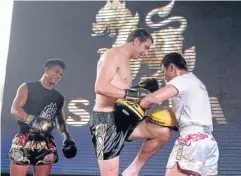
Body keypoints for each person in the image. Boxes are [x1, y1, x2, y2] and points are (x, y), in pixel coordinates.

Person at [89, 28, 174, 176]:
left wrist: (138, 93)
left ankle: (132, 171)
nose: (146, 53)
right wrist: (130, 93)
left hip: (121, 119)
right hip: (104, 122)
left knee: (162, 132)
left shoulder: (125, 61)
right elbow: (100, 87)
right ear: (136, 41)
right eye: (145, 47)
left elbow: (119, 93)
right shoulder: (114, 54)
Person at [139, 52, 219, 176]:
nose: (164, 77)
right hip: (209, 142)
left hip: (191, 140)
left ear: (171, 68)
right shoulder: (197, 81)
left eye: (163, 71)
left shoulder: (181, 80)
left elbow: (153, 99)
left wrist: (137, 104)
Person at [8, 59, 77, 176]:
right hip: (25, 137)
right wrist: (33, 120)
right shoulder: (27, 87)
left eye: (60, 74)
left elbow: (60, 121)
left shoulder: (59, 97)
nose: (58, 76)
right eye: (56, 72)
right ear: (46, 70)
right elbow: (15, 109)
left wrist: (66, 137)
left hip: (45, 141)